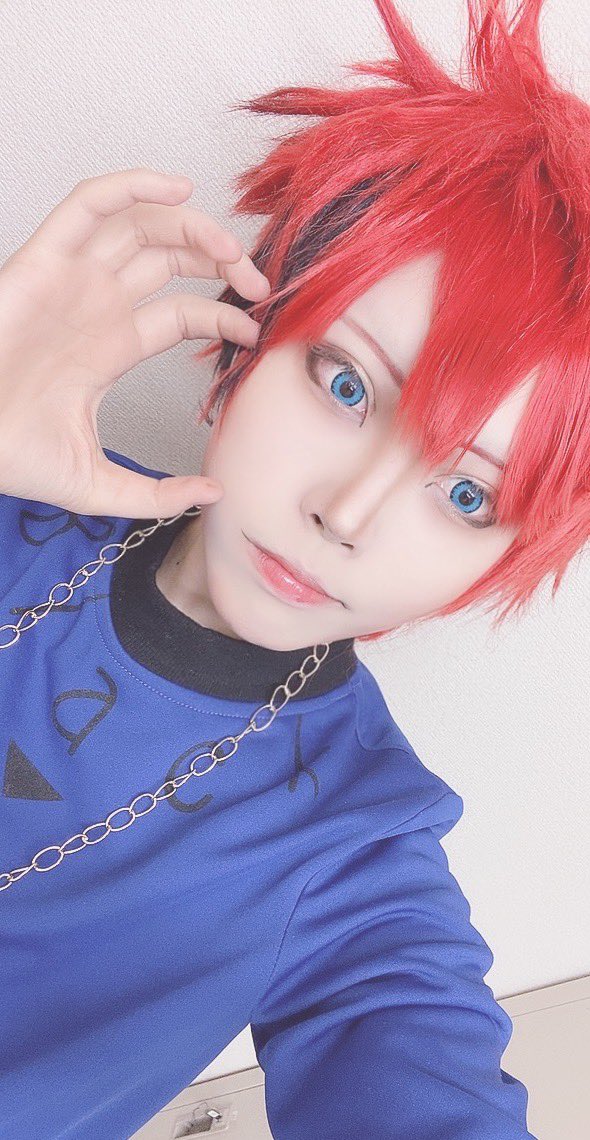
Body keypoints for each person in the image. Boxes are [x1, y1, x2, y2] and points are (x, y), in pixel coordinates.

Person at [1, 0, 587, 1135]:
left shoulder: (352, 850)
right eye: (348, 385)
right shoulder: (20, 486)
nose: (346, 514)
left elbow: (416, 1065)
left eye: (469, 495)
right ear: (252, 336)